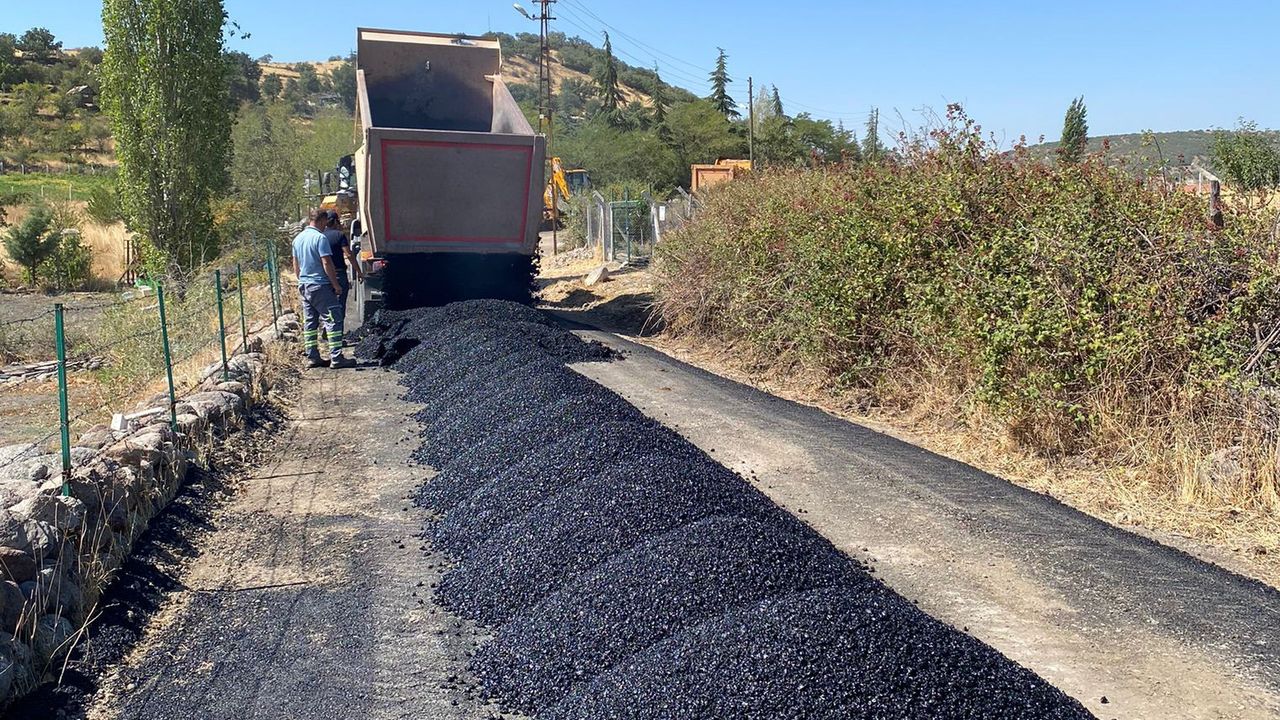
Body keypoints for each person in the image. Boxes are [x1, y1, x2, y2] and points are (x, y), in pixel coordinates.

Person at [292, 208, 355, 369]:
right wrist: (336, 285)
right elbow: (327, 263)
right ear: (321, 220)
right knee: (333, 319)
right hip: (320, 285)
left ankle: (312, 356)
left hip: (305, 285)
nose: (326, 226)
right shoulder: (320, 238)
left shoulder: (298, 239)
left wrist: (302, 279)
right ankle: (336, 358)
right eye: (325, 222)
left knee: (310, 322)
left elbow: (296, 265)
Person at [322, 210, 363, 326]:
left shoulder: (321, 236)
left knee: (328, 305)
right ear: (335, 221)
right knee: (340, 304)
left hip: (325, 275)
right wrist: (358, 271)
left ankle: (327, 328)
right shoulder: (339, 235)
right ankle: (338, 331)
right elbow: (348, 254)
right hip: (339, 275)